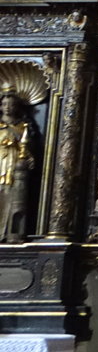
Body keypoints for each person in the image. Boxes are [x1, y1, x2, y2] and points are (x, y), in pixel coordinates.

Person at [0, 85, 33, 243]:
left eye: (11, 105)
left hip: (13, 165)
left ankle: (9, 232)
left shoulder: (22, 127)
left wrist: (28, 157)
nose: (8, 108)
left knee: (12, 198)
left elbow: (24, 149)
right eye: (5, 104)